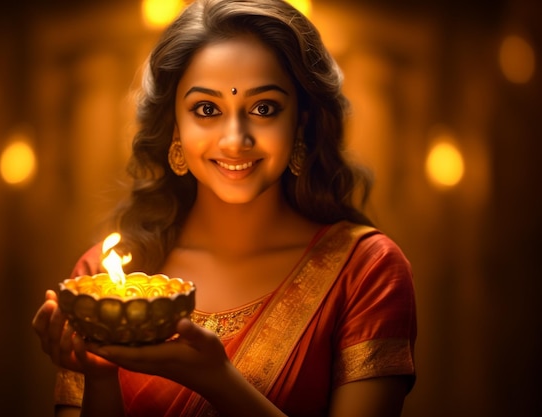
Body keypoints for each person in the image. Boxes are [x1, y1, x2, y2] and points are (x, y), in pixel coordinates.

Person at [32, 0, 417, 416]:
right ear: (175, 127)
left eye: (264, 108)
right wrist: (100, 375)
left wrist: (217, 380)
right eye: (207, 109)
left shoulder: (365, 271)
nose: (235, 139)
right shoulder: (105, 283)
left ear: (302, 121)